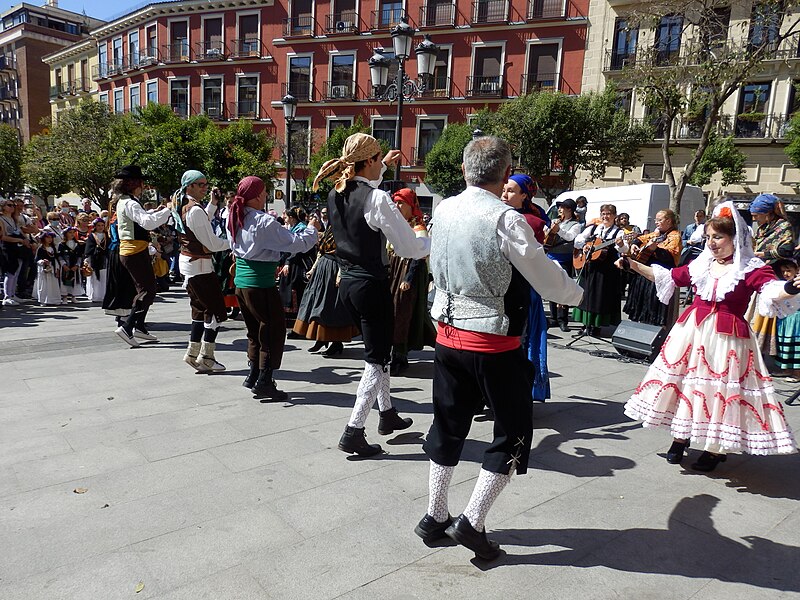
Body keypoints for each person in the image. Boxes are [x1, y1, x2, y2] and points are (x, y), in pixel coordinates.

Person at [416, 136, 583, 560]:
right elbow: (545, 278)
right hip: (492, 339)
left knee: (448, 423)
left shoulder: (445, 208)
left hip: (447, 333)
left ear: (464, 170)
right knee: (512, 432)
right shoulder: (505, 219)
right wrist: (576, 293)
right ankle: (471, 521)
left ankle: (434, 515)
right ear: (505, 174)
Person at [618, 201, 799, 472]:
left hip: (727, 338)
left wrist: (790, 287)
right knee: (685, 384)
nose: (711, 243)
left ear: (734, 239)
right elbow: (667, 277)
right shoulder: (701, 264)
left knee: (719, 391)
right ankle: (680, 437)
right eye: (708, 237)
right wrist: (632, 264)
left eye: (718, 237)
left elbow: (772, 290)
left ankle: (715, 449)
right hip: (692, 330)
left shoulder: (750, 267)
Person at [311, 133, 430, 457]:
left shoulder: (336, 192)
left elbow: (363, 198)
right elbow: (407, 247)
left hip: (347, 283)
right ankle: (354, 430)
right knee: (376, 360)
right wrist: (424, 238)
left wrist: (382, 167)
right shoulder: (377, 199)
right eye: (379, 159)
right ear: (369, 161)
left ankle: (387, 413)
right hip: (371, 286)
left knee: (381, 350)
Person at [228, 176, 320, 399]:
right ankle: (265, 381)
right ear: (259, 195)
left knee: (254, 330)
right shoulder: (262, 221)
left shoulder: (236, 216)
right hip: (260, 284)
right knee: (272, 331)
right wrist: (311, 230)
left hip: (242, 283)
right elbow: (293, 243)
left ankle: (253, 374)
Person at [171, 170, 233, 373]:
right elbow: (212, 242)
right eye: (201, 184)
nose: (205, 188)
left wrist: (213, 205)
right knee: (214, 312)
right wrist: (233, 242)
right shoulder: (194, 209)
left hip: (191, 265)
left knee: (199, 312)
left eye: (206, 184)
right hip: (200, 267)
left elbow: (199, 224)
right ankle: (207, 356)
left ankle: (192, 353)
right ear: (189, 186)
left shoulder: (183, 204)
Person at [501, 173, 552, 401]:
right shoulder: (498, 214)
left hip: (520, 289)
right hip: (498, 288)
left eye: (511, 190)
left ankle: (517, 393)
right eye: (504, 188)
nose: (505, 193)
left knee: (518, 343)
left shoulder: (532, 222)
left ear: (524, 195)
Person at [113, 165, 172, 347]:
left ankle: (138, 326)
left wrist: (157, 212)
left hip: (134, 250)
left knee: (146, 289)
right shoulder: (130, 202)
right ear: (134, 184)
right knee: (147, 290)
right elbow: (147, 223)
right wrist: (168, 210)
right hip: (134, 251)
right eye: (141, 182)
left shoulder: (126, 200)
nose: (144, 186)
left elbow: (142, 219)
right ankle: (128, 327)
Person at [388, 187, 436, 376]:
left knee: (403, 312)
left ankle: (400, 354)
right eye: (396, 202)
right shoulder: (398, 225)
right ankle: (396, 352)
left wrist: (408, 279)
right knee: (393, 312)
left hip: (410, 273)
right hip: (395, 271)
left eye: (401, 203)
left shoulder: (419, 228)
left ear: (410, 205)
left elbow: (419, 256)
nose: (397, 206)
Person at [292, 223, 360, 356]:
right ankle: (321, 339)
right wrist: (313, 269)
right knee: (315, 303)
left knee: (330, 306)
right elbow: (320, 252)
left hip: (334, 270)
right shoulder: (331, 228)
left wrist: (340, 273)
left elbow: (345, 254)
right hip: (323, 269)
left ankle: (336, 343)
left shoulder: (345, 229)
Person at [750, 193, 796, 357]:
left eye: (757, 216)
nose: (755, 219)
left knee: (772, 318)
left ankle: (772, 355)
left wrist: (762, 254)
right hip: (760, 274)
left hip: (775, 277)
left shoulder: (783, 226)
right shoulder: (763, 228)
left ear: (767, 213)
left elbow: (786, 249)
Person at [621, 209, 682, 327]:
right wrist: (634, 244)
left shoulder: (675, 236)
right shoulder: (657, 233)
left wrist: (655, 250)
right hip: (644, 274)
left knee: (653, 307)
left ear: (669, 221)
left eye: (659, 220)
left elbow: (670, 258)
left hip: (658, 277)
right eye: (656, 220)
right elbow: (640, 239)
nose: (656, 222)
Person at [572, 204, 624, 336]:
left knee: (599, 297)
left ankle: (596, 326)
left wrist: (621, 244)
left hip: (606, 271)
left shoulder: (619, 233)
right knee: (586, 295)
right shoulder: (594, 228)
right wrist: (584, 246)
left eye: (608, 214)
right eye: (603, 214)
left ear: (614, 216)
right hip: (590, 267)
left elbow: (624, 250)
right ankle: (585, 324)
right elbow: (578, 240)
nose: (605, 216)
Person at [544, 197, 582, 331]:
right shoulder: (555, 221)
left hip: (564, 259)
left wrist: (558, 229)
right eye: (559, 207)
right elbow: (546, 235)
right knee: (552, 288)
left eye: (562, 207)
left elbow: (570, 237)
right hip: (551, 257)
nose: (559, 210)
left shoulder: (576, 225)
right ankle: (553, 317)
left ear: (569, 210)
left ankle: (562, 319)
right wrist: (548, 230)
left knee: (562, 288)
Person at [279, 207, 316, 332]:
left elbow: (298, 248)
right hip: (291, 263)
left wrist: (288, 262)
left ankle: (299, 326)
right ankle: (292, 324)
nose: (285, 218)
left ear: (292, 218)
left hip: (298, 265)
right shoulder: (293, 228)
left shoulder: (302, 229)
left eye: (287, 216)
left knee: (296, 291)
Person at [773, 258, 800, 382]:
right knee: (784, 343)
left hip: (796, 321)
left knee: (795, 345)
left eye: (789, 271)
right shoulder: (782, 284)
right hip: (784, 320)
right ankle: (786, 369)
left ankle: (797, 372)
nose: (786, 274)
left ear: (797, 270)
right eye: (783, 271)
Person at [0, 198, 30, 305]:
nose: (12, 207)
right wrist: (19, 239)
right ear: (3, 207)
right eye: (9, 205)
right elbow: (3, 237)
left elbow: (19, 231)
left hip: (17, 247)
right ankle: (7, 296)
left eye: (13, 205)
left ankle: (12, 294)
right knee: (10, 272)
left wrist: (24, 239)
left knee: (17, 271)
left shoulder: (13, 219)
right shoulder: (1, 219)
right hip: (7, 247)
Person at [83, 218, 108, 303]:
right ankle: (94, 295)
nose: (100, 227)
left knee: (104, 277)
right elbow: (88, 248)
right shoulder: (92, 235)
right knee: (94, 277)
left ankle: (104, 295)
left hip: (104, 259)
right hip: (94, 259)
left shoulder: (106, 235)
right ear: (95, 226)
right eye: (98, 225)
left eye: (102, 225)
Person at [57, 227, 82, 303]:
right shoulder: (61, 245)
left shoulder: (77, 244)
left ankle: (73, 296)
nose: (72, 234)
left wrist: (77, 265)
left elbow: (79, 256)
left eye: (73, 232)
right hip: (66, 266)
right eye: (70, 232)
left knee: (74, 280)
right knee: (64, 280)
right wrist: (63, 265)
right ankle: (64, 297)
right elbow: (60, 256)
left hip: (74, 266)